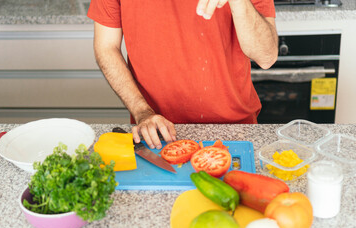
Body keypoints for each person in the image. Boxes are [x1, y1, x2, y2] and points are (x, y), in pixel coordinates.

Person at [88, 0, 278, 149]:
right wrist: (142, 112)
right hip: (157, 131)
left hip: (236, 131)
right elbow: (106, 47)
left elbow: (266, 56)